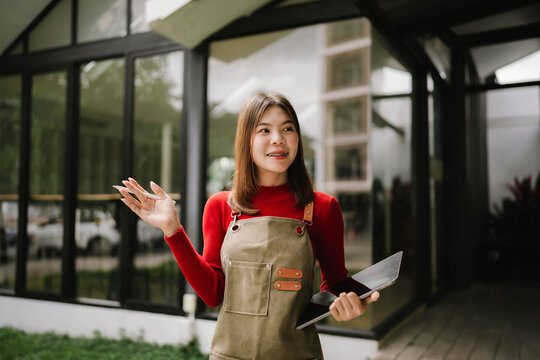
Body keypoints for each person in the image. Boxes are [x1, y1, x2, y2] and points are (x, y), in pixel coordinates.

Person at [117, 92, 379, 360]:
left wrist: (349, 303)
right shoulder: (220, 206)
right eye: (264, 130)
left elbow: (335, 286)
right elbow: (213, 293)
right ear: (247, 141)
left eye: (287, 128)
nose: (278, 138)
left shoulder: (323, 208)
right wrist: (173, 230)